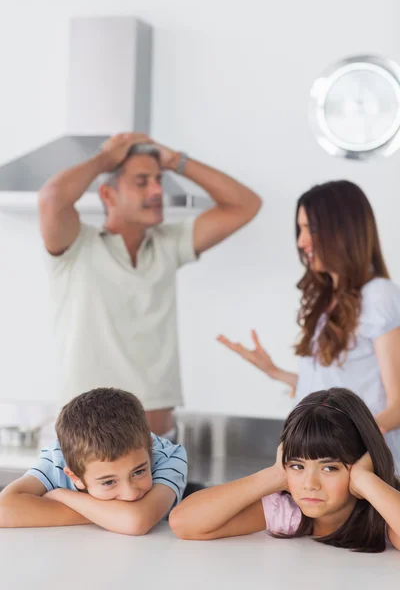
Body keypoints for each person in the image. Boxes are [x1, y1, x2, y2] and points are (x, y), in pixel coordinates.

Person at [38, 133, 262, 437]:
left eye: (159, 179)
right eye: (142, 181)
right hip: (89, 448)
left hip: (160, 443)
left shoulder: (167, 245)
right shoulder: (76, 246)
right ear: (108, 195)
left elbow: (245, 204)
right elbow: (52, 198)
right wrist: (105, 159)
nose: (157, 190)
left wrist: (176, 161)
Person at [218, 180, 400, 470]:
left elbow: (398, 405)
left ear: (344, 230)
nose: (301, 242)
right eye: (300, 230)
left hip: (359, 467)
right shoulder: (330, 300)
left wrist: (349, 442)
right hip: (324, 463)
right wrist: (274, 372)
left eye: (311, 229)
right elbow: (329, 385)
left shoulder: (379, 295)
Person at [169, 387, 400, 552]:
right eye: (297, 466)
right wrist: (274, 476)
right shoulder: (287, 511)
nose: (310, 484)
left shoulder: (383, 512)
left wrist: (365, 480)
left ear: (363, 462)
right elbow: (183, 523)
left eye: (329, 468)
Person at [0, 388, 187, 535]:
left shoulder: (168, 456)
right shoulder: (60, 456)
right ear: (74, 476)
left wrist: (62, 495)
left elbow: (135, 522)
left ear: (150, 447)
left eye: (138, 472)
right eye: (108, 482)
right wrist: (111, 517)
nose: (130, 495)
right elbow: (3, 509)